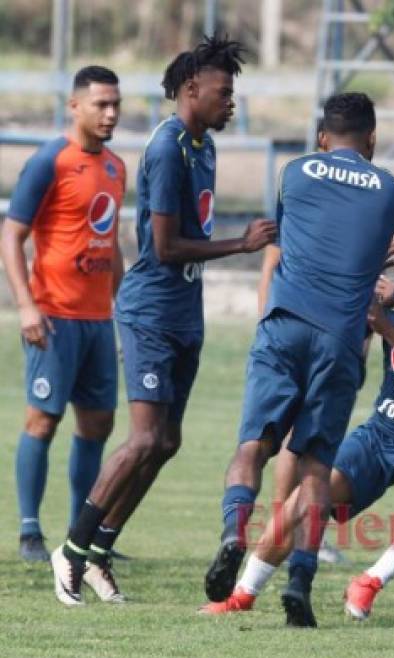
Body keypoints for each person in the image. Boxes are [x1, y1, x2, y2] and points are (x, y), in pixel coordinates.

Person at [50, 34, 276, 606]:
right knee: (144, 436)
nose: (231, 103)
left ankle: (101, 551)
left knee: (167, 442)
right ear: (191, 90)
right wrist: (241, 245)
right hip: (150, 311)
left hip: (185, 314)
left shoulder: (205, 147)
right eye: (224, 92)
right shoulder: (168, 148)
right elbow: (165, 245)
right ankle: (71, 550)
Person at [203, 91, 394, 628]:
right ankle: (300, 584)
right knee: (314, 466)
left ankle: (233, 532)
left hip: (283, 324)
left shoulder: (292, 172)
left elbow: (297, 239)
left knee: (252, 446)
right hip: (339, 337)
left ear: (322, 138)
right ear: (373, 139)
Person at [201, 199, 394, 623]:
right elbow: (353, 356)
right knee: (302, 502)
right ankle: (242, 594)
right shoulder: (389, 290)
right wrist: (360, 304)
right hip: (380, 434)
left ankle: (369, 582)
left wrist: (383, 321)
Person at [1, 66, 125, 563]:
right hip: (53, 315)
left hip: (98, 321)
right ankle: (30, 530)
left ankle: (82, 533)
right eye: (101, 104)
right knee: (42, 421)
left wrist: (120, 306)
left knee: (97, 424)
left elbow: (112, 244)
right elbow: (11, 235)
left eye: (116, 104)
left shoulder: (116, 167)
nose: (111, 113)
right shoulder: (50, 160)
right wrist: (25, 305)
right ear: (75, 106)